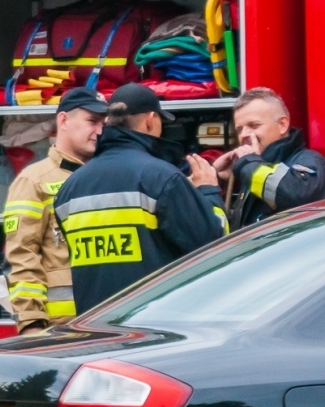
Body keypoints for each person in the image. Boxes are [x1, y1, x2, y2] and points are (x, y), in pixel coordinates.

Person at [53, 83, 226, 313]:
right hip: (153, 329)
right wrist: (207, 191)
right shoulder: (163, 178)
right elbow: (216, 244)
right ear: (150, 120)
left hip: (95, 330)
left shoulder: (69, 188)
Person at [3, 87, 108, 334]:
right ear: (63, 120)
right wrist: (31, 325)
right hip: (58, 330)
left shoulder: (104, 177)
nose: (100, 131)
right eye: (92, 121)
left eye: (104, 123)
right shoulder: (32, 181)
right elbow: (22, 255)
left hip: (105, 322)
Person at [212, 87, 325, 228]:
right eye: (239, 129)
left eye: (254, 125)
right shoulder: (253, 166)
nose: (244, 134)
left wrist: (248, 164)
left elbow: (297, 196)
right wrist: (216, 178)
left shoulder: (309, 160)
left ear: (282, 125)